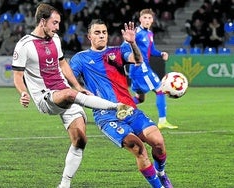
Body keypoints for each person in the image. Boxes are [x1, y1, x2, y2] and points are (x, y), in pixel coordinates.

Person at [11, 4, 132, 188]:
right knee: (69, 93)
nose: (57, 27)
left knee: (80, 139)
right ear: (43, 21)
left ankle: (64, 184)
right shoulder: (24, 45)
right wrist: (23, 93)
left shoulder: (56, 39)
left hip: (66, 91)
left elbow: (63, 64)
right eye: (54, 23)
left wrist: (77, 86)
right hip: (46, 97)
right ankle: (116, 106)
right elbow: (17, 76)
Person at [70, 19, 173, 188]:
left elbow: (138, 59)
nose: (101, 35)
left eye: (104, 32)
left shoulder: (119, 51)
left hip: (129, 109)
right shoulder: (80, 59)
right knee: (138, 148)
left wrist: (132, 43)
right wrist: (79, 89)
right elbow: (68, 79)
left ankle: (161, 173)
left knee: (159, 143)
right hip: (106, 116)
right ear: (89, 36)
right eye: (97, 32)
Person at [128, 8, 177, 129]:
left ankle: (118, 108)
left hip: (140, 69)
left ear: (152, 20)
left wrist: (161, 54)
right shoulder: (136, 33)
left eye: (149, 18)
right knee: (160, 90)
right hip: (140, 68)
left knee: (140, 98)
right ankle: (162, 121)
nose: (147, 20)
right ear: (140, 19)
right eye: (145, 18)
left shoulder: (149, 33)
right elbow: (125, 47)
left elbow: (152, 50)